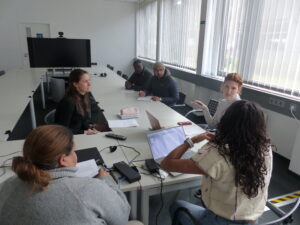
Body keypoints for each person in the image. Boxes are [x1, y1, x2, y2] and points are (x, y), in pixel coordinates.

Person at [161, 100, 273, 225]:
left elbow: (167, 164)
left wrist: (191, 141)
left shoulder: (217, 155)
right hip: (251, 220)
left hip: (220, 221)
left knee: (177, 206)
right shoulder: (265, 148)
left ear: (226, 122)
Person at [0, 125, 135, 225]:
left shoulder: (7, 185)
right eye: (74, 151)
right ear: (63, 159)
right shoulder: (90, 189)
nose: (76, 155)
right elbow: (122, 218)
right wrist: (106, 180)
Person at [55, 69, 107, 134]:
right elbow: (62, 130)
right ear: (76, 84)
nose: (89, 84)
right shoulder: (68, 102)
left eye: (89, 80)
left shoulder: (83, 96)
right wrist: (85, 132)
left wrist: (90, 129)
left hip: (81, 131)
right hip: (73, 137)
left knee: (109, 127)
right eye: (85, 81)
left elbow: (82, 119)